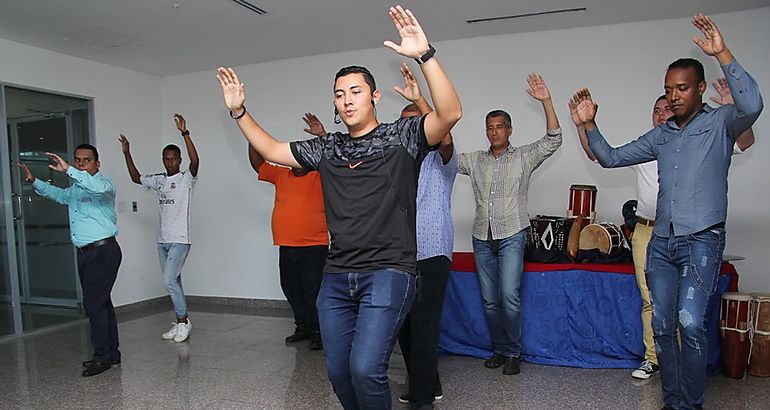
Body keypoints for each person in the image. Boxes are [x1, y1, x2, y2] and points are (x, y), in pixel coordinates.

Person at [216, 6, 462, 409]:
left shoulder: (402, 137)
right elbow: (272, 149)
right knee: (339, 372)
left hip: (388, 272)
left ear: (374, 96)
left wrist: (425, 55)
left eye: (356, 91)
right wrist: (239, 112)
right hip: (337, 276)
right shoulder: (327, 148)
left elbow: (450, 113)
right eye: (340, 93)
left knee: (366, 369)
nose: (347, 100)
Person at [570, 14, 762, 409]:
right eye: (668, 89)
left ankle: (690, 404)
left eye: (682, 88)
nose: (673, 96)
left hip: (701, 241)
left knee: (690, 323)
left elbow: (753, 103)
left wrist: (722, 52)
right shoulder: (662, 134)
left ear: (700, 89)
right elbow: (609, 157)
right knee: (661, 324)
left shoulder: (721, 122)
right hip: (662, 244)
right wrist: (590, 124)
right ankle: (672, 401)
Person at [303, 63, 456, 409]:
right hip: (390, 256)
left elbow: (444, 133)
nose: (405, 128)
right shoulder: (387, 152)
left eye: (412, 123)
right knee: (397, 335)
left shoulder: (436, 156)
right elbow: (346, 157)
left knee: (424, 330)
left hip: (429, 252)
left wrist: (421, 100)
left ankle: (423, 394)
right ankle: (411, 387)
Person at [457, 74, 562, 376]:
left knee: (509, 297)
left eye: (499, 127)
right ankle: (499, 349)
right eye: (489, 127)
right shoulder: (475, 160)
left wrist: (546, 101)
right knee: (490, 301)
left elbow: (554, 139)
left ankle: (514, 352)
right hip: (481, 236)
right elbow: (445, 157)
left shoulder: (524, 156)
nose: (494, 132)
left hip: (512, 235)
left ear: (509, 130)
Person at [19, 145, 122, 377]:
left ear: (97, 163)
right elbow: (58, 195)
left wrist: (69, 171)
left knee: (94, 305)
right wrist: (35, 180)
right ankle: (112, 354)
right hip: (86, 253)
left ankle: (102, 357)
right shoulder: (76, 188)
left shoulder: (104, 185)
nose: (81, 163)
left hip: (102, 252)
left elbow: (94, 187)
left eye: (86, 160)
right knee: (102, 304)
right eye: (77, 160)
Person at [247, 114, 329, 351]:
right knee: (291, 287)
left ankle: (318, 331)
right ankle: (302, 326)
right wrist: (253, 138)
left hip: (314, 245)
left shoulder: (320, 174)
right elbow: (257, 164)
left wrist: (322, 137)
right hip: (286, 243)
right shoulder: (281, 174)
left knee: (314, 290)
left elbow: (337, 159)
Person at [119, 113, 199, 343]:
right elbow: (136, 177)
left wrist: (185, 133)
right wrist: (127, 153)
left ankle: (184, 321)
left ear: (179, 159)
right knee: (175, 281)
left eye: (173, 158)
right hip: (162, 240)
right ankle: (179, 322)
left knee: (168, 281)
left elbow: (196, 162)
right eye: (166, 159)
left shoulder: (186, 178)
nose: (170, 162)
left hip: (180, 240)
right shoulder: (159, 180)